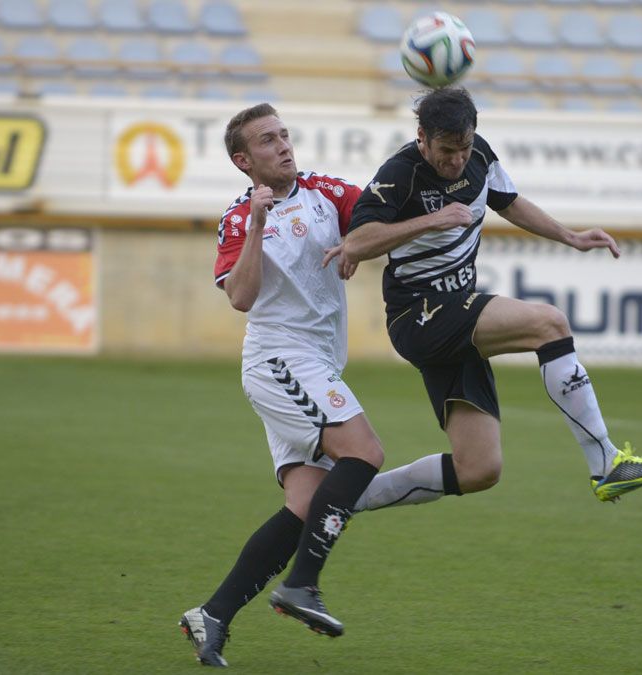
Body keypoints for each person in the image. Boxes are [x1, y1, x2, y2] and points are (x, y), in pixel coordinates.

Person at [178, 103, 453, 667]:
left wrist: (415, 221)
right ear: (243, 160)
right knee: (365, 451)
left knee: (304, 505)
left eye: (283, 134)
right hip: (279, 358)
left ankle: (213, 613)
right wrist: (258, 223)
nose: (282, 145)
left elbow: (377, 222)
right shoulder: (238, 219)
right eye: (266, 140)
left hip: (316, 363)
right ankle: (301, 584)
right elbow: (241, 297)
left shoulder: (325, 191)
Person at [340, 87, 642, 510]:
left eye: (463, 148)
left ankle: (342, 501)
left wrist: (570, 236)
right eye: (446, 150)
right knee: (549, 324)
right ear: (422, 138)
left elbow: (510, 202)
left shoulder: (479, 155)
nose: (456, 160)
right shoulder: (398, 174)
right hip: (418, 314)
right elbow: (356, 243)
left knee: (479, 468)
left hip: (454, 313)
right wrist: (433, 220)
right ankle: (606, 462)